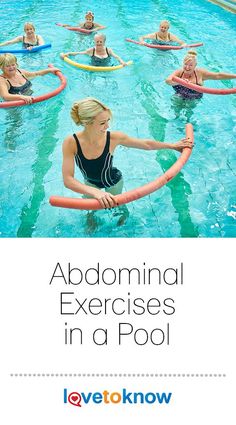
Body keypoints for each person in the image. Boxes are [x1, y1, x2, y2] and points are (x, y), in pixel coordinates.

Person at [62, 97, 194, 209]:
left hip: (113, 181)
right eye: (102, 123)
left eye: (108, 121)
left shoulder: (113, 138)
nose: (107, 126)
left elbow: (146, 144)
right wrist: (95, 192)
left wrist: (172, 145)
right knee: (90, 211)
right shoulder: (71, 142)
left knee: (116, 207)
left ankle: (123, 214)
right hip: (89, 183)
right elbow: (68, 180)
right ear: (87, 123)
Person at [165, 50, 236, 100]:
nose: (187, 67)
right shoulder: (179, 72)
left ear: (195, 65)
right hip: (179, 96)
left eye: (190, 65)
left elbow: (218, 75)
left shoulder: (200, 73)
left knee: (188, 117)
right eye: (185, 64)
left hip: (194, 99)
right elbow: (167, 81)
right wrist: (180, 81)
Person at [61, 33, 127, 67]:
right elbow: (79, 53)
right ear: (94, 42)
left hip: (107, 68)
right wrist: (68, 54)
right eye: (97, 42)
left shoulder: (108, 50)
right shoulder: (91, 50)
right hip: (93, 68)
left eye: (100, 42)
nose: (98, 43)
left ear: (104, 42)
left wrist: (122, 62)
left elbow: (116, 56)